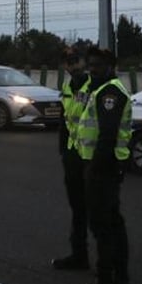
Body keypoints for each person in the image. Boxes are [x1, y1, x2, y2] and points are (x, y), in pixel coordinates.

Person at [71, 46, 132, 284]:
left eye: (97, 66)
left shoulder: (109, 92)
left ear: (110, 67)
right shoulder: (100, 89)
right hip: (103, 167)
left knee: (103, 228)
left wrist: (94, 168)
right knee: (114, 225)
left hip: (101, 169)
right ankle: (121, 283)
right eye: (90, 65)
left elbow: (107, 135)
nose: (91, 70)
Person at [52, 44, 93, 271]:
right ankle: (79, 255)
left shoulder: (94, 85)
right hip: (73, 156)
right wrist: (64, 152)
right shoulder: (68, 87)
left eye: (76, 60)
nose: (73, 65)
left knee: (98, 213)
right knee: (78, 209)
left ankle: (111, 269)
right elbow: (65, 123)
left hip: (93, 158)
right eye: (68, 61)